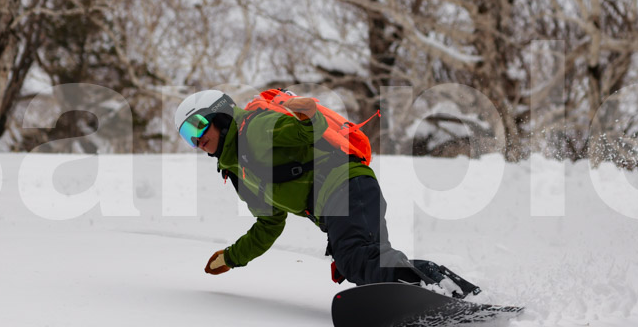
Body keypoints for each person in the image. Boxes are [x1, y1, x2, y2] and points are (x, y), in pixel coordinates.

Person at [173, 89, 481, 297]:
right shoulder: (237, 170)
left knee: (356, 260)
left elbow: (306, 131)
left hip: (346, 186)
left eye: (197, 126)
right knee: (368, 265)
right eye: (188, 135)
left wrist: (309, 114)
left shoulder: (255, 128)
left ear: (221, 115)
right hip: (345, 195)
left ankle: (438, 292)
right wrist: (232, 257)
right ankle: (448, 293)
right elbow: (269, 223)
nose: (196, 140)